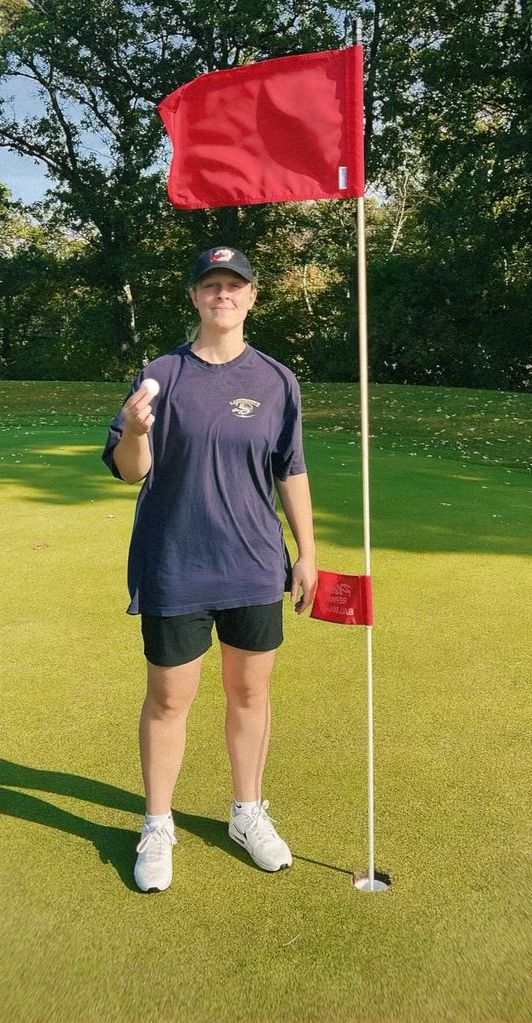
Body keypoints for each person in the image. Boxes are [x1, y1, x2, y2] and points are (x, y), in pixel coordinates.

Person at [101, 245, 317, 893]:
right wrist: (135, 430)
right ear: (195, 297)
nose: (223, 295)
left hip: (254, 564)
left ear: (252, 296)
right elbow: (130, 470)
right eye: (211, 285)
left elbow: (290, 469)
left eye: (234, 285)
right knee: (169, 699)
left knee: (250, 694)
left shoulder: (277, 380)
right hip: (176, 564)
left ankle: (247, 813)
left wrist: (307, 551)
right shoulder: (160, 374)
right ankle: (157, 824)